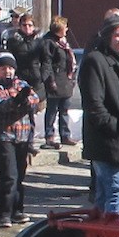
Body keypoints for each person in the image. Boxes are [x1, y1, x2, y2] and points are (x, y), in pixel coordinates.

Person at [80, 16, 119, 218]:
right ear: (107, 37)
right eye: (117, 35)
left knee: (104, 195)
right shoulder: (95, 61)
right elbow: (94, 105)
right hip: (105, 141)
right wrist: (117, 128)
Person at [0, 52, 39, 227]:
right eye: (3, 68)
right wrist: (19, 101)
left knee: (20, 176)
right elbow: (2, 105)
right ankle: (2, 213)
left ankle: (17, 210)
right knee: (8, 175)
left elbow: (35, 100)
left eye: (9, 68)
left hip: (23, 136)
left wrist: (23, 100)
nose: (7, 71)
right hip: (3, 136)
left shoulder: (22, 84)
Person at [39, 15, 78, 148]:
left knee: (65, 110)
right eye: (64, 27)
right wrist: (51, 81)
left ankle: (65, 135)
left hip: (66, 80)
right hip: (55, 79)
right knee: (52, 110)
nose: (67, 29)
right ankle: (49, 136)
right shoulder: (49, 42)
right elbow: (47, 63)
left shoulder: (63, 42)